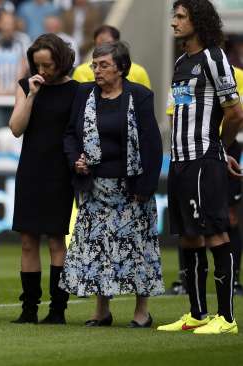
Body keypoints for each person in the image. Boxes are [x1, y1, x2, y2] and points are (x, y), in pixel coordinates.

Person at [61, 41, 164, 328]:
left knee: (138, 249)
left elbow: (152, 144)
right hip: (94, 186)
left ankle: (142, 312)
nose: (97, 70)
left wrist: (145, 188)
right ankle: (101, 311)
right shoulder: (84, 94)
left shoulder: (140, 96)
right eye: (94, 64)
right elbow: (70, 135)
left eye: (103, 65)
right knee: (96, 249)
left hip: (131, 188)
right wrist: (76, 161)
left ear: (121, 68)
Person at [158, 0, 243, 335]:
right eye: (174, 15)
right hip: (179, 161)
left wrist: (219, 149)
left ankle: (226, 318)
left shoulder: (214, 57)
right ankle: (196, 313)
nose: (174, 21)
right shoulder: (181, 62)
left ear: (199, 20)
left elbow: (235, 112)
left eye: (181, 16)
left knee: (215, 234)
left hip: (203, 159)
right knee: (190, 237)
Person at [8, 33, 78, 324]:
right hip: (31, 169)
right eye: (38, 65)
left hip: (60, 171)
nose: (43, 71)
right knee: (27, 241)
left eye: (48, 65)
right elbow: (15, 128)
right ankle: (29, 310)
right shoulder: (27, 86)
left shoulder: (77, 90)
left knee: (55, 241)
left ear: (60, 61)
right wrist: (33, 95)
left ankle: (57, 309)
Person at [164, 66, 243, 297]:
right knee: (188, 225)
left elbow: (236, 114)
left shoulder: (226, 69)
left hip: (217, 149)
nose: (174, 26)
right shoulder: (180, 67)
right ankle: (191, 298)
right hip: (185, 153)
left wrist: (221, 146)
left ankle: (230, 297)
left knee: (225, 219)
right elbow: (173, 112)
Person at [72, 25, 151, 89]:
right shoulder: (81, 71)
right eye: (99, 45)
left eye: (108, 44)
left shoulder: (139, 71)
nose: (97, 71)